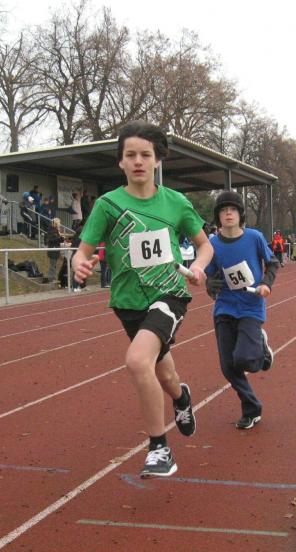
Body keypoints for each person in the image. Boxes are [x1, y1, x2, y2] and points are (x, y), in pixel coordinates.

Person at [71, 121, 213, 478]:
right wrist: (80, 264)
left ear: (157, 161)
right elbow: (83, 250)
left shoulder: (176, 203)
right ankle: (181, 397)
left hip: (169, 293)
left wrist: (198, 267)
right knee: (163, 373)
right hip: (128, 302)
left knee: (137, 361)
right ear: (120, 162)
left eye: (145, 155)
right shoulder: (108, 205)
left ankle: (159, 449)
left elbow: (205, 246)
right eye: (130, 155)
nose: (138, 161)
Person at [205, 191, 278, 430]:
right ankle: (251, 408)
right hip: (224, 307)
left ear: (240, 214)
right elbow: (210, 274)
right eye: (223, 210)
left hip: (250, 306)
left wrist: (266, 283)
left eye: (233, 209)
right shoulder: (212, 245)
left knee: (247, 360)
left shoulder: (254, 237)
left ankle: (261, 349)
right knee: (228, 366)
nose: (228, 213)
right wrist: (210, 284)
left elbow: (273, 262)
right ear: (218, 216)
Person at [45, 218, 67, 285]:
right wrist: (59, 238)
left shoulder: (56, 230)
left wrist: (62, 239)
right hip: (53, 250)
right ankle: (51, 278)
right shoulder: (51, 230)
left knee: (54, 265)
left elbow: (57, 240)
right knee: (52, 265)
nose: (60, 224)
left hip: (55, 250)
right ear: (56, 223)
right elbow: (51, 240)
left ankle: (53, 277)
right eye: (59, 223)